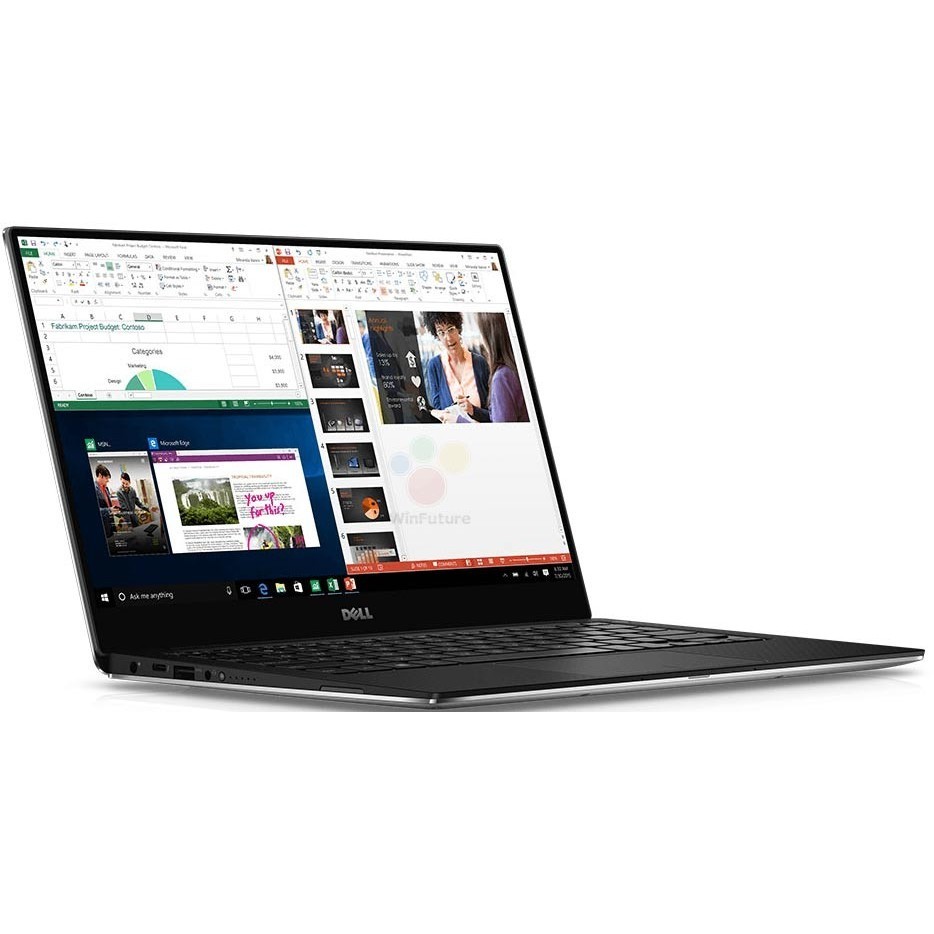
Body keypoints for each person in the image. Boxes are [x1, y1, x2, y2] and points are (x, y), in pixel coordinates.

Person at [421, 311, 490, 423]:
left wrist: (473, 410)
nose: (448, 338)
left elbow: (493, 414)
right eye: (441, 332)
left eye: (450, 329)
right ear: (437, 336)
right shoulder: (434, 366)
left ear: (458, 328)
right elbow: (438, 413)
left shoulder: (480, 363)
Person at [478, 314, 529, 423]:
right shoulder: (516, 367)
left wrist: (459, 420)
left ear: (490, 337)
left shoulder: (502, 378)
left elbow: (502, 430)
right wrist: (474, 411)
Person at [94, 463, 116, 537]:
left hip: (111, 524)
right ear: (100, 475)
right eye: (106, 478)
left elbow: (107, 504)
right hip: (103, 526)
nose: (108, 480)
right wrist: (109, 510)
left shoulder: (106, 488)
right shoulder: (93, 489)